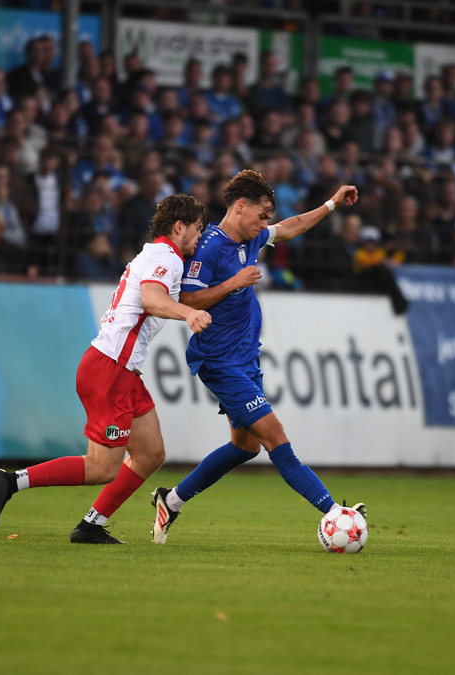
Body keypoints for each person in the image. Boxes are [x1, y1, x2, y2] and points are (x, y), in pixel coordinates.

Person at [150, 170, 365, 544]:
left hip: (246, 357)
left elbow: (291, 227)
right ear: (240, 206)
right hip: (219, 360)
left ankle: (171, 501)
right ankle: (334, 512)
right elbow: (185, 301)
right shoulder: (210, 246)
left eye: (267, 218)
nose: (265, 224)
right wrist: (234, 282)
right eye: (261, 216)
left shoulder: (249, 238)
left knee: (245, 446)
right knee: (275, 435)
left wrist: (331, 203)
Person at [0, 193, 212, 544]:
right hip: (110, 369)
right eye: (197, 228)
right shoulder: (167, 256)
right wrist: (189, 314)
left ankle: (91, 525)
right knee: (101, 466)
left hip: (121, 371)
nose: (200, 235)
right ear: (179, 227)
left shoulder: (157, 254)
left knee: (151, 453)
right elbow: (152, 298)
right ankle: (11, 481)